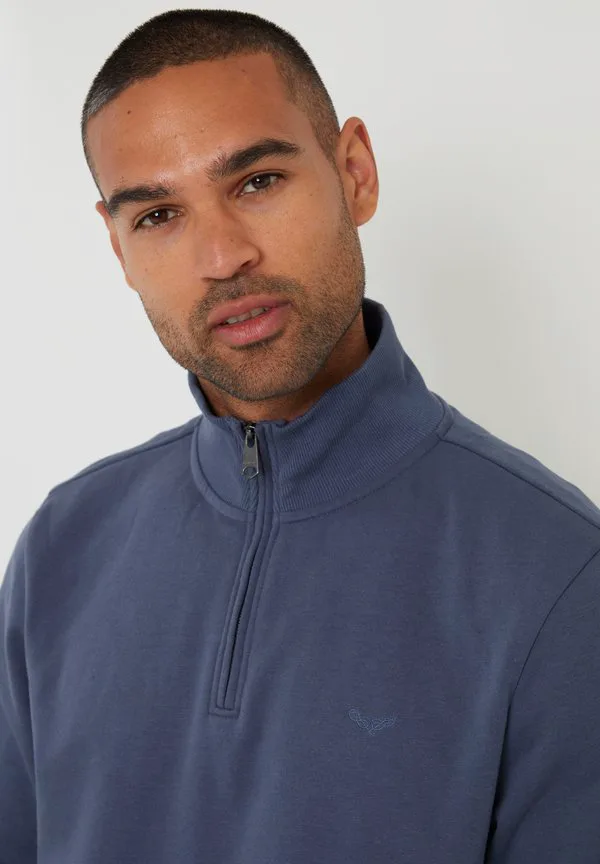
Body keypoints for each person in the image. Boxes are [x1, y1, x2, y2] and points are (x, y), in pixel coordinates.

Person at [1, 8, 599, 864]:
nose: (222, 256)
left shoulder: (560, 572)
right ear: (118, 247)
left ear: (354, 173)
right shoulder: (63, 547)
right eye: (159, 215)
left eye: (257, 182)